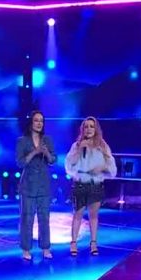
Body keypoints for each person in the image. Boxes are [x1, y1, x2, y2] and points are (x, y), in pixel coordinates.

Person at [64, 116, 117, 256]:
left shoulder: (102, 145)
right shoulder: (77, 145)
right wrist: (79, 149)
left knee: (93, 216)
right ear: (82, 129)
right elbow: (69, 165)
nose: (89, 129)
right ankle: (73, 243)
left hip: (96, 185)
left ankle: (93, 243)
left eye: (91, 126)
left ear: (96, 129)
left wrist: (101, 169)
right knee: (78, 215)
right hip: (80, 185)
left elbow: (111, 167)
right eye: (86, 126)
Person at [15, 111, 56, 260]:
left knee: (44, 218)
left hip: (44, 184)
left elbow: (53, 160)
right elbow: (20, 163)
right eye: (36, 120)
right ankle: (26, 249)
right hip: (28, 185)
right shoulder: (22, 141)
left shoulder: (47, 140)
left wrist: (47, 153)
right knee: (27, 218)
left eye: (41, 121)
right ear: (31, 122)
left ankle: (45, 247)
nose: (39, 123)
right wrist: (35, 152)